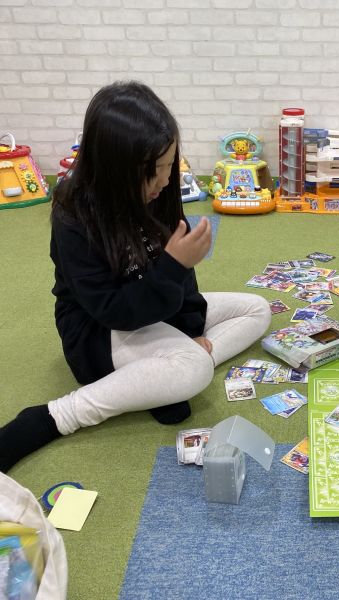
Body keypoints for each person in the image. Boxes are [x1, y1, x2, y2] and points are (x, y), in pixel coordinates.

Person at [0, 81, 271, 472]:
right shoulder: (74, 216)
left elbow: (183, 286)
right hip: (99, 331)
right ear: (115, 171)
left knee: (257, 309)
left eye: (169, 165)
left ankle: (159, 379)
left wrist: (189, 328)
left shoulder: (159, 191)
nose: (165, 181)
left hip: (157, 307)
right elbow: (114, 311)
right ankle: (58, 415)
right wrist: (174, 267)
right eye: (154, 172)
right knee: (194, 367)